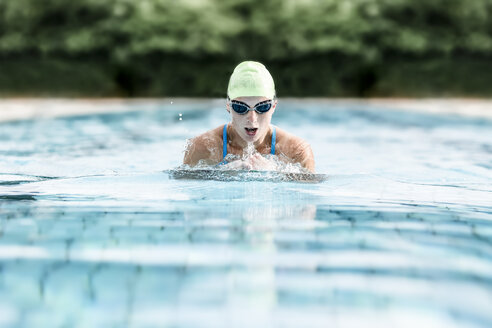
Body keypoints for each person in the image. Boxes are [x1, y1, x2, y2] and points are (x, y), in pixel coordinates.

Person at [183, 61, 315, 173]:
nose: (252, 118)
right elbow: (184, 186)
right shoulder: (202, 148)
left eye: (262, 107)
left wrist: (275, 173)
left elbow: (308, 196)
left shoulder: (296, 151)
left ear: (273, 107)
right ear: (228, 106)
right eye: (241, 107)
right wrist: (221, 175)